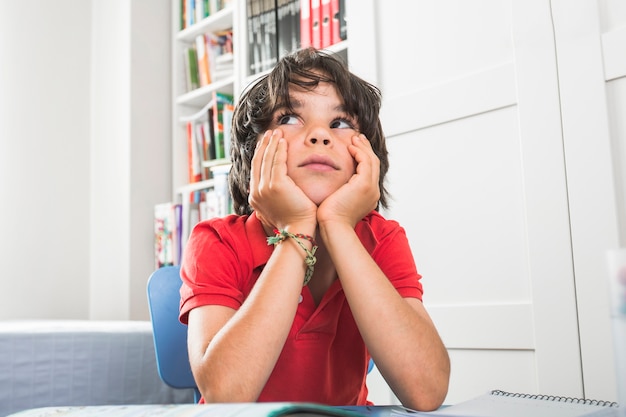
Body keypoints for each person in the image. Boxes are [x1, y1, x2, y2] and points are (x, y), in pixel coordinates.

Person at [179, 47, 450, 411]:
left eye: (340, 123)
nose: (320, 135)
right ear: (254, 149)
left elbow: (427, 390)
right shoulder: (215, 241)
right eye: (290, 118)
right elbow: (227, 396)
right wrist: (297, 230)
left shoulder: (382, 238)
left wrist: (337, 224)